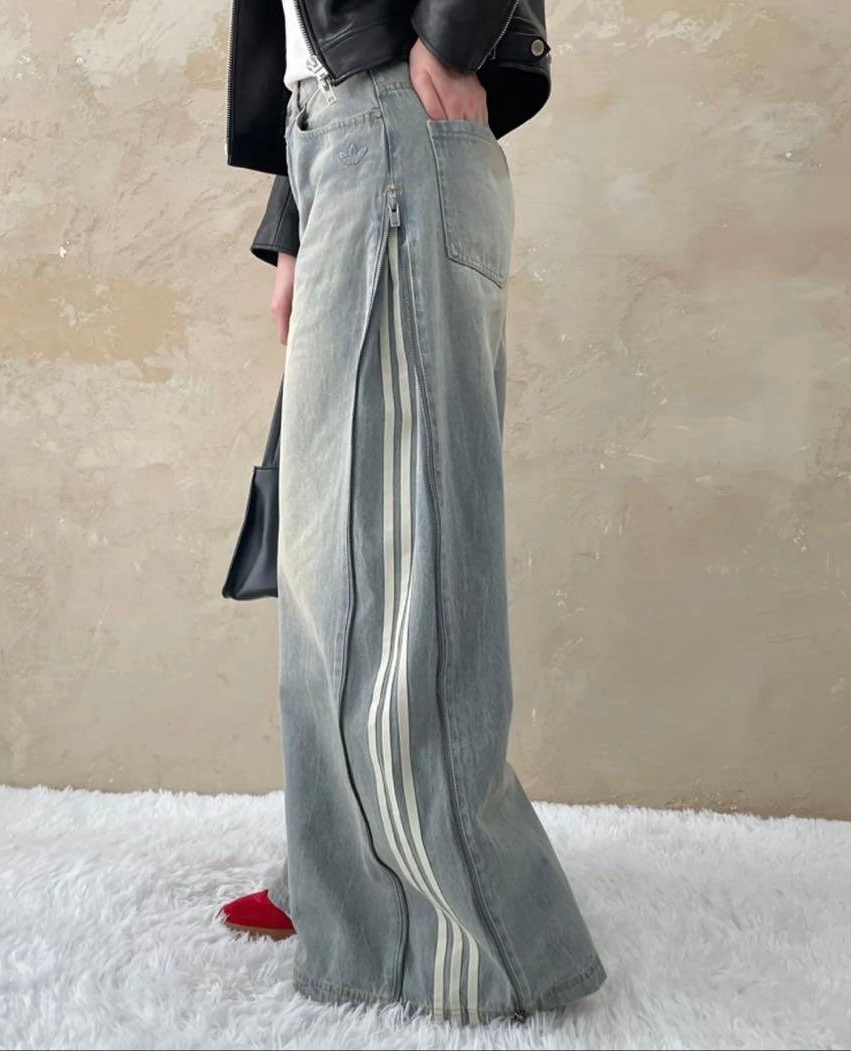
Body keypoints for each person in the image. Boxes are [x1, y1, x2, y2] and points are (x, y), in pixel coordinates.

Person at [219, 0, 606, 1025]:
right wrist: (291, 214)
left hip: (392, 121)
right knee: (328, 556)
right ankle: (340, 878)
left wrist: (451, 34)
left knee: (399, 554)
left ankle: (473, 944)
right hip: (339, 136)